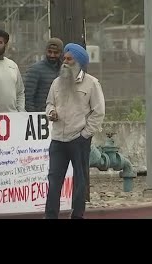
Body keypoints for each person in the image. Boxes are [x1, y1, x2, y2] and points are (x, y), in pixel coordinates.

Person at [44, 43, 106, 219]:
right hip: (57, 140)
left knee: (79, 180)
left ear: (78, 62)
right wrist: (51, 112)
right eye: (65, 58)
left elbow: (98, 112)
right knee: (54, 180)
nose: (65, 61)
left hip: (78, 139)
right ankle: (50, 216)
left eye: (69, 59)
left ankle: (77, 215)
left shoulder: (92, 83)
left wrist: (84, 135)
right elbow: (49, 103)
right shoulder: (57, 82)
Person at [24, 38, 63, 112]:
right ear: (45, 51)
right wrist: (35, 117)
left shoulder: (64, 70)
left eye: (56, 52)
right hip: (41, 116)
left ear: (61, 53)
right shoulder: (34, 70)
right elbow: (28, 98)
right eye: (49, 52)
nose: (52, 55)